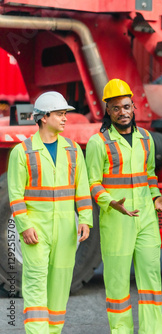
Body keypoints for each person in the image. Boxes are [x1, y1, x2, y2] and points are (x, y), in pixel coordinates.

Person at [86, 79, 162, 334]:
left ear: (133, 106)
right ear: (108, 111)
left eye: (126, 106)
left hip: (146, 219)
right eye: (116, 108)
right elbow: (93, 182)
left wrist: (156, 197)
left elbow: (150, 174)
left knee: (151, 282)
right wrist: (111, 202)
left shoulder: (146, 138)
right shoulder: (97, 143)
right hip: (117, 221)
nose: (122, 112)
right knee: (117, 284)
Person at [8, 91, 92, 334]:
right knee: (35, 283)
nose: (65, 118)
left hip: (66, 230)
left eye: (65, 114)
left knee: (60, 285)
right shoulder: (22, 152)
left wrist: (85, 219)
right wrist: (24, 226)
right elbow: (15, 195)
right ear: (44, 117)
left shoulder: (73, 150)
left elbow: (82, 189)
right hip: (37, 228)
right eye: (60, 114)